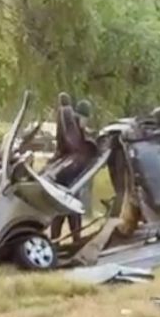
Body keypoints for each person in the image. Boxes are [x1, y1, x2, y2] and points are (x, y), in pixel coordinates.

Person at [50, 98, 96, 243]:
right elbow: (73, 146)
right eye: (85, 118)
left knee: (71, 212)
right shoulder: (71, 127)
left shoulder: (73, 126)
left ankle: (72, 239)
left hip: (71, 175)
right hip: (66, 175)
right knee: (64, 210)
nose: (86, 122)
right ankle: (57, 239)